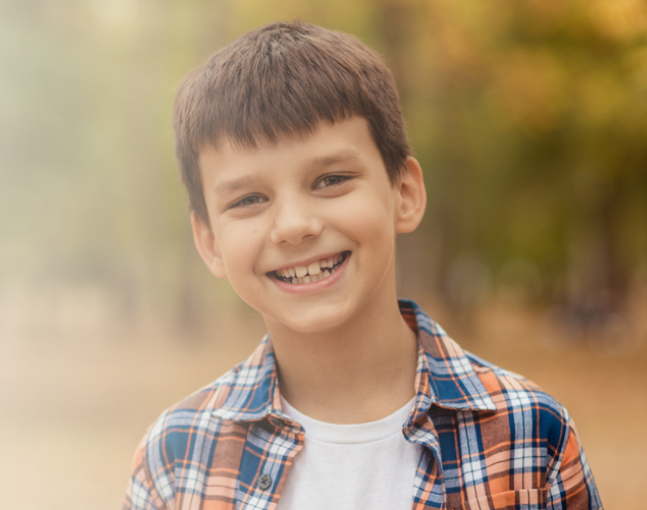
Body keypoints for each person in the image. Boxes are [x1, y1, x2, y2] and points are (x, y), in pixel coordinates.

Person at [122, 21, 600, 510]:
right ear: (209, 241)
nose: (294, 225)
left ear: (404, 194)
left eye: (330, 179)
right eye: (248, 198)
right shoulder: (176, 457)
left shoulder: (530, 435)